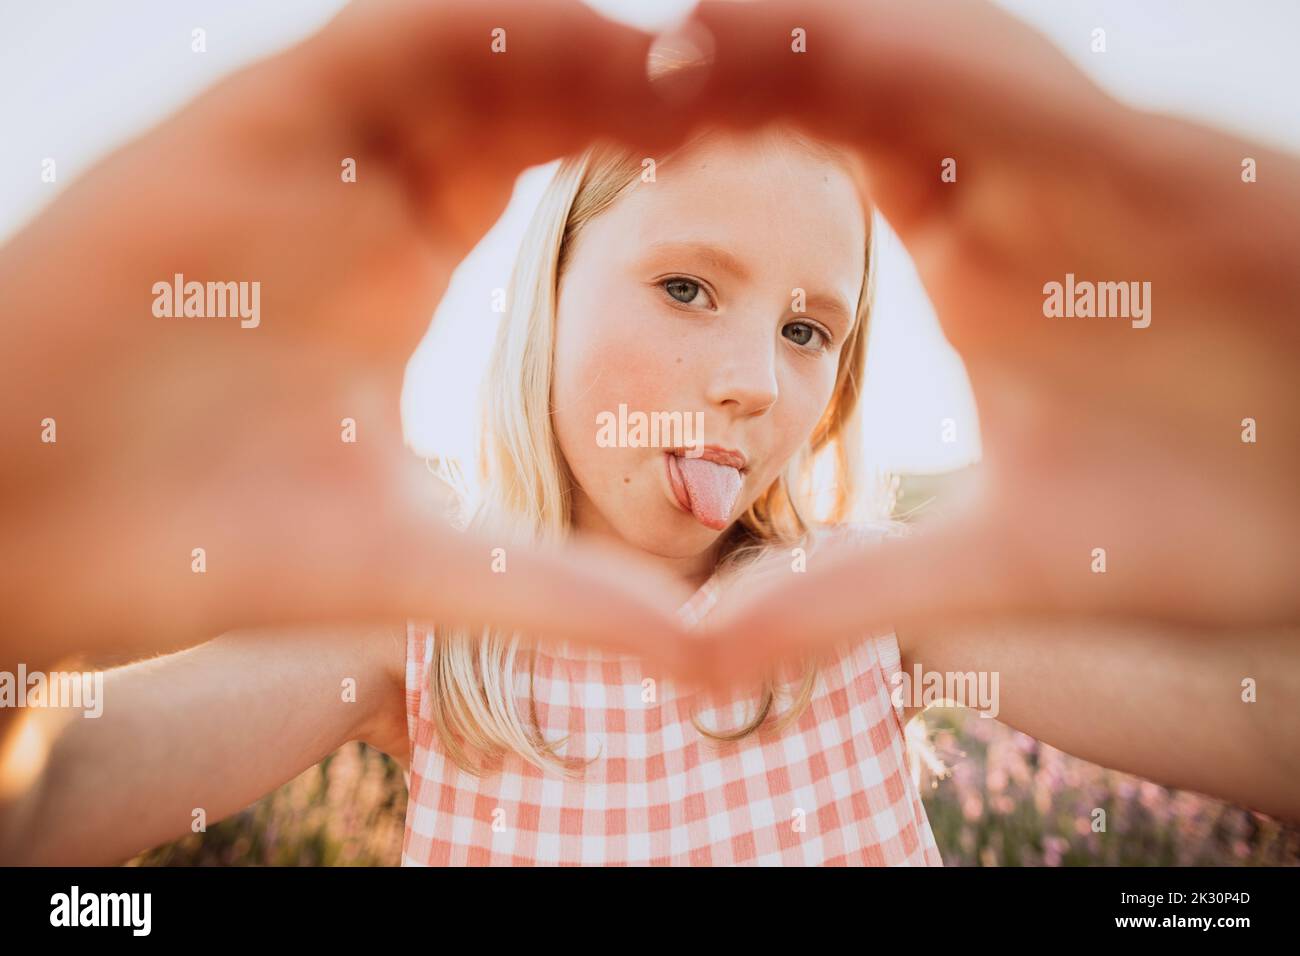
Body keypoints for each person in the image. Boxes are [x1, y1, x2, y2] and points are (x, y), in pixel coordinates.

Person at [1, 0, 1297, 862]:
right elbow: (47, 802)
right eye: (687, 286)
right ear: (546, 298)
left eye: (809, 330)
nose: (752, 382)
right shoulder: (427, 639)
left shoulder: (875, 608)